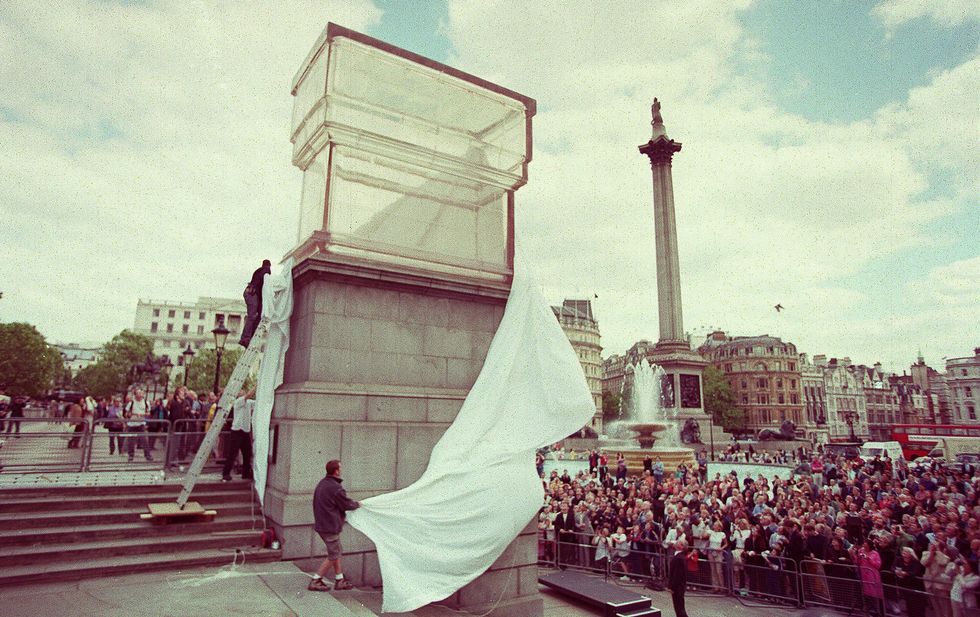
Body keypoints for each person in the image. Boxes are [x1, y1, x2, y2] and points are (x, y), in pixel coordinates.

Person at [308, 459, 360, 592]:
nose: (341, 470)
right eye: (340, 468)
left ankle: (339, 579)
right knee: (334, 554)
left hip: (322, 525)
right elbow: (346, 505)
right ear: (336, 471)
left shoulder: (323, 483)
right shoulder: (336, 488)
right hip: (329, 526)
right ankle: (316, 580)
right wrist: (358, 504)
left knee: (335, 551)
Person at [222, 386, 255, 482]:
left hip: (245, 431)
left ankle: (245, 473)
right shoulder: (238, 401)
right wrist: (257, 385)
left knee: (247, 453)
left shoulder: (249, 402)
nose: (241, 391)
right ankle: (226, 474)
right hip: (236, 431)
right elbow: (249, 395)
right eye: (240, 391)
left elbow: (257, 402)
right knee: (232, 453)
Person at [240, 259, 271, 347]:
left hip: (250, 294)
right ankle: (245, 338)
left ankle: (248, 337)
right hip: (252, 294)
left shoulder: (259, 271)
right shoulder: (265, 271)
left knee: (256, 316)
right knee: (252, 316)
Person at [668, 538, 690, 617]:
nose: (676, 543)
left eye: (678, 542)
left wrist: (672, 587)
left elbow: (677, 575)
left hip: (678, 587)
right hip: (678, 586)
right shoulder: (678, 556)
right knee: (678, 607)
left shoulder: (679, 558)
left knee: (679, 608)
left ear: (681, 546)